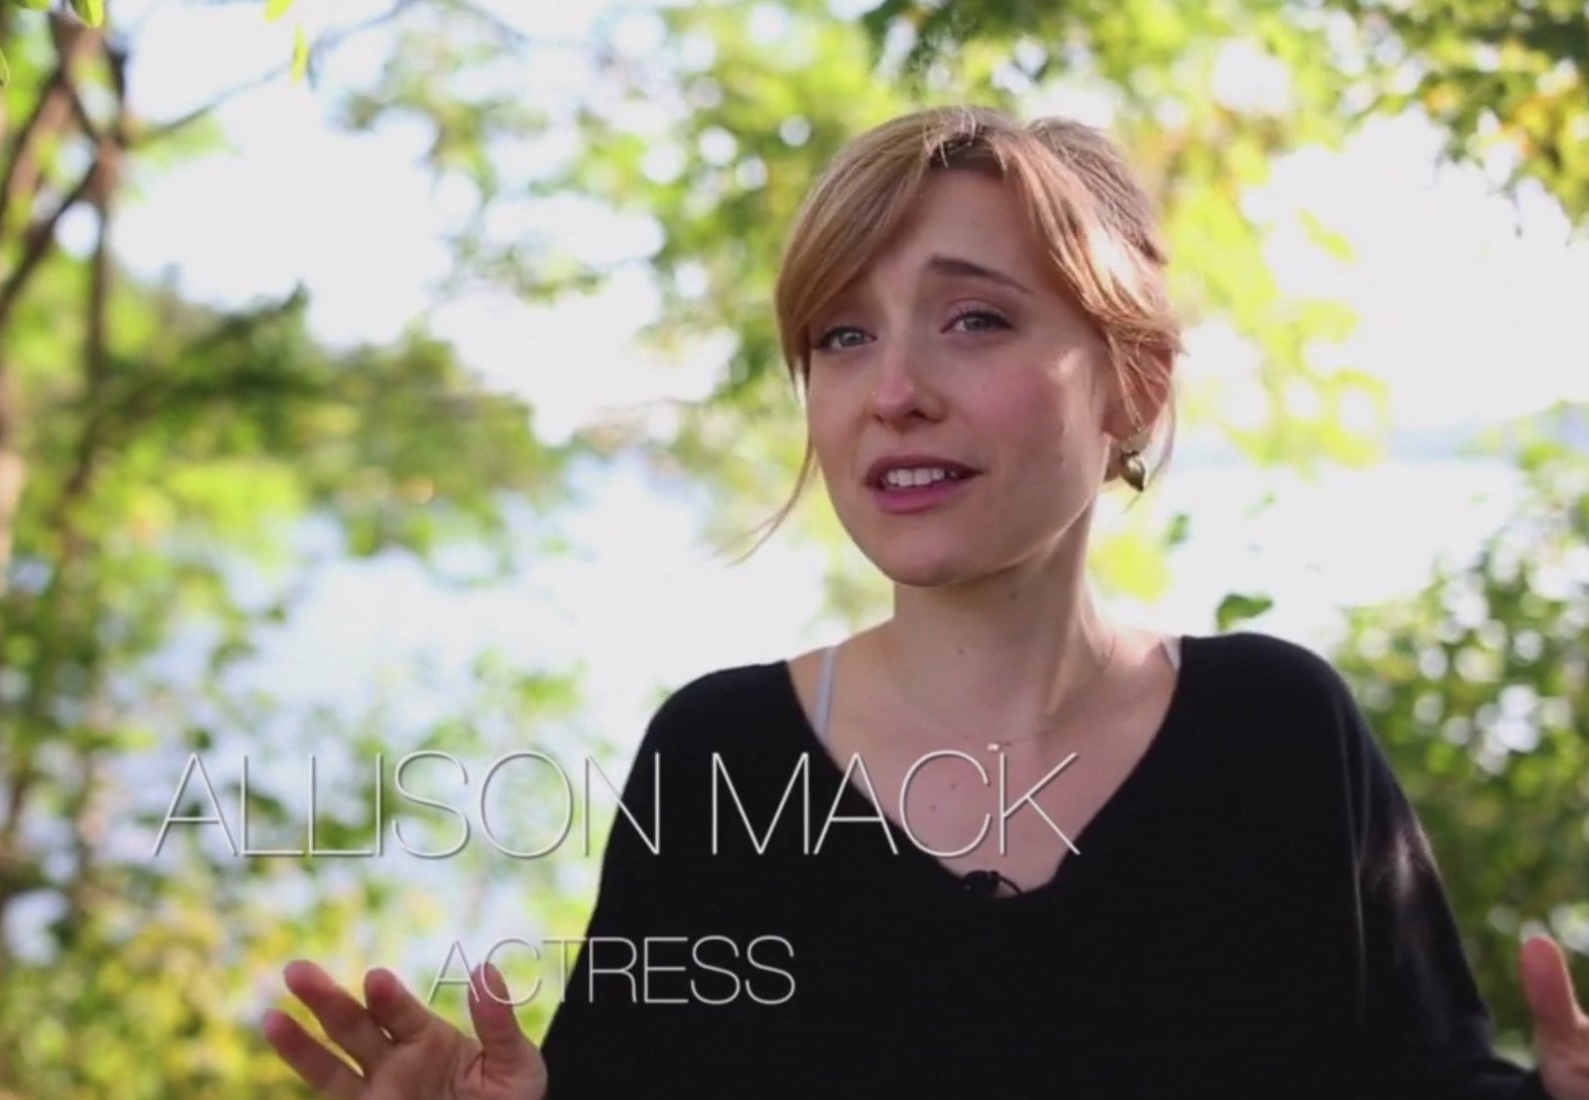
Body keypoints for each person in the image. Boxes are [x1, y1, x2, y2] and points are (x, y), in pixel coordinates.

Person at [259, 105, 1589, 1098]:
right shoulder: (717, 757)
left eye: (973, 320)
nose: (891, 387)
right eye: (841, 335)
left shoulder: (1275, 733)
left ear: (1130, 383)